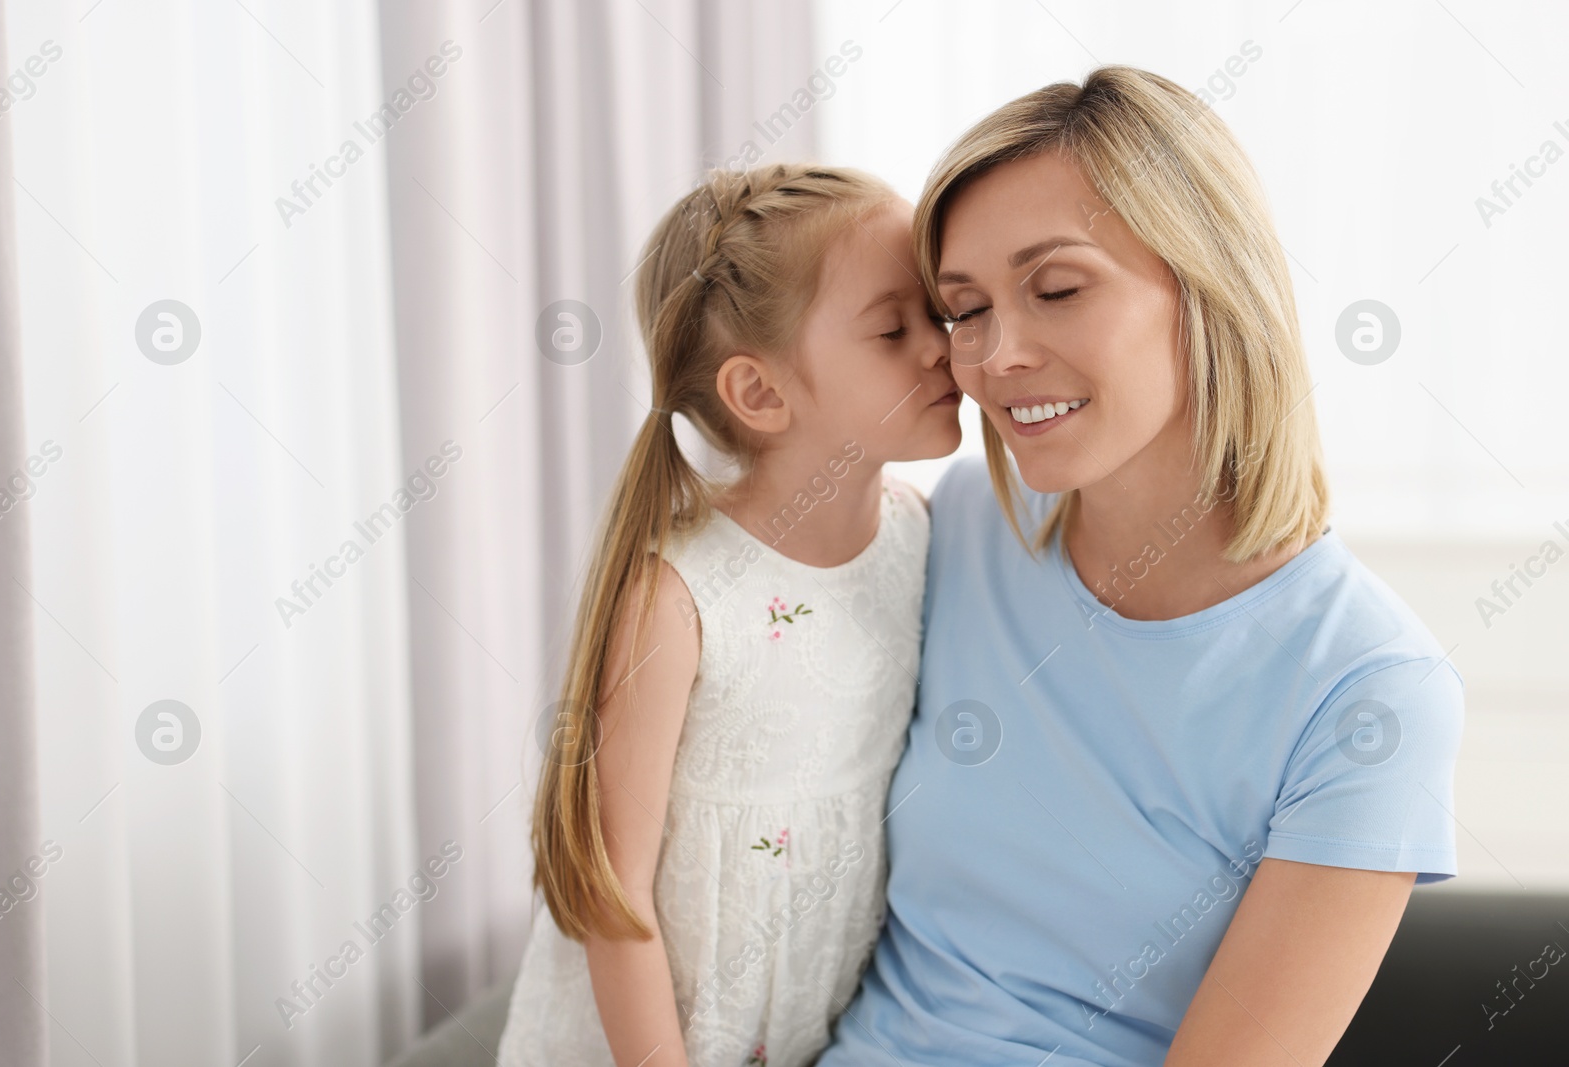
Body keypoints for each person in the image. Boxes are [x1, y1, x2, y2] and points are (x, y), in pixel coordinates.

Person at [818, 66, 1464, 1067]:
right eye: (965, 307)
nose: (994, 356)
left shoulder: (1368, 690)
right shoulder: (962, 525)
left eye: (1058, 288)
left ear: (1207, 285)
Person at [497, 163, 964, 1066]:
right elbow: (613, 887)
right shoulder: (680, 597)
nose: (941, 347)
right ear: (760, 393)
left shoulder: (917, 535)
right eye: (893, 328)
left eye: (937, 314)